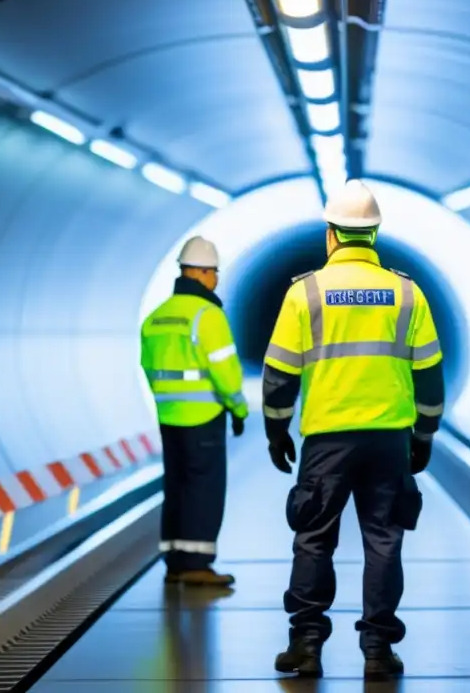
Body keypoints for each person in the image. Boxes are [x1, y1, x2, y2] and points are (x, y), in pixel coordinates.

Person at [260, 179, 445, 680]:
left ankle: (306, 645)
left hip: (327, 440)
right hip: (389, 439)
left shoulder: (306, 293)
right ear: (375, 233)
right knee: (384, 541)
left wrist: (277, 430)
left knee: (314, 538)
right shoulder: (408, 293)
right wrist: (424, 433)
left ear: (330, 234)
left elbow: (280, 374)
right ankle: (378, 651)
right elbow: (429, 372)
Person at [140, 235, 249, 586]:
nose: (216, 279)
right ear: (200, 273)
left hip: (169, 416)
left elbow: (147, 365)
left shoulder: (157, 317)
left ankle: (175, 561)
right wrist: (238, 408)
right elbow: (225, 371)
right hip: (204, 417)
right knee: (204, 488)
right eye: (214, 272)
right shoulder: (208, 315)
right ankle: (197, 563)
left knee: (177, 486)